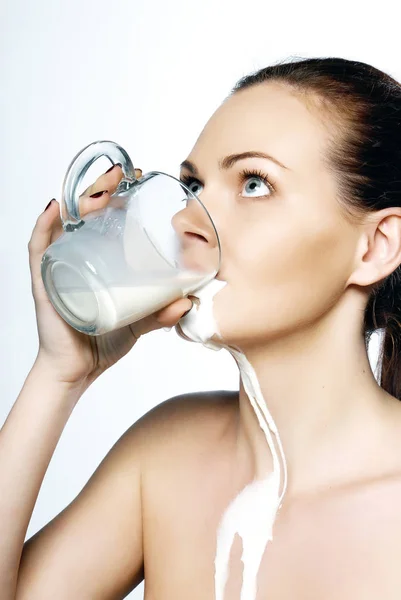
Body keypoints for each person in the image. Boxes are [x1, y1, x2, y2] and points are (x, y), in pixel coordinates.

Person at [3, 55, 401, 599]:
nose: (185, 220)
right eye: (192, 185)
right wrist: (59, 373)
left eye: (255, 183)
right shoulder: (165, 458)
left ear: (376, 247)